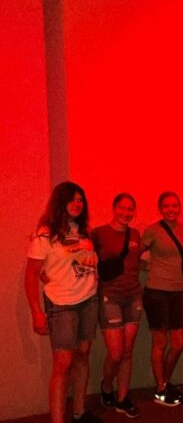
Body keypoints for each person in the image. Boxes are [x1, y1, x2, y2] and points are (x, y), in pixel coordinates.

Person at [24, 181, 101, 423]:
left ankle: (79, 412)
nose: (77, 203)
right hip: (61, 304)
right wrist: (36, 312)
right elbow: (30, 276)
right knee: (63, 363)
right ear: (60, 202)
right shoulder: (45, 234)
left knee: (83, 355)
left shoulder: (84, 231)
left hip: (88, 301)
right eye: (72, 199)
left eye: (81, 199)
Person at [92, 193, 143, 418]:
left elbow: (138, 262)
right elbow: (85, 258)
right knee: (115, 353)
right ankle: (106, 386)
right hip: (109, 297)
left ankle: (122, 398)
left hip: (133, 296)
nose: (126, 213)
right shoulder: (99, 233)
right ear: (114, 208)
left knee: (128, 351)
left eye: (131, 209)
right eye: (122, 208)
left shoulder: (135, 234)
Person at [141, 192, 183, 407]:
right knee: (160, 343)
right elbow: (135, 256)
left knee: (179, 344)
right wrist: (149, 268)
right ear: (160, 209)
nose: (171, 209)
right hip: (156, 292)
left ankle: (165, 380)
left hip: (178, 291)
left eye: (174, 205)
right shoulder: (152, 231)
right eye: (166, 206)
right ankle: (160, 388)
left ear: (179, 207)